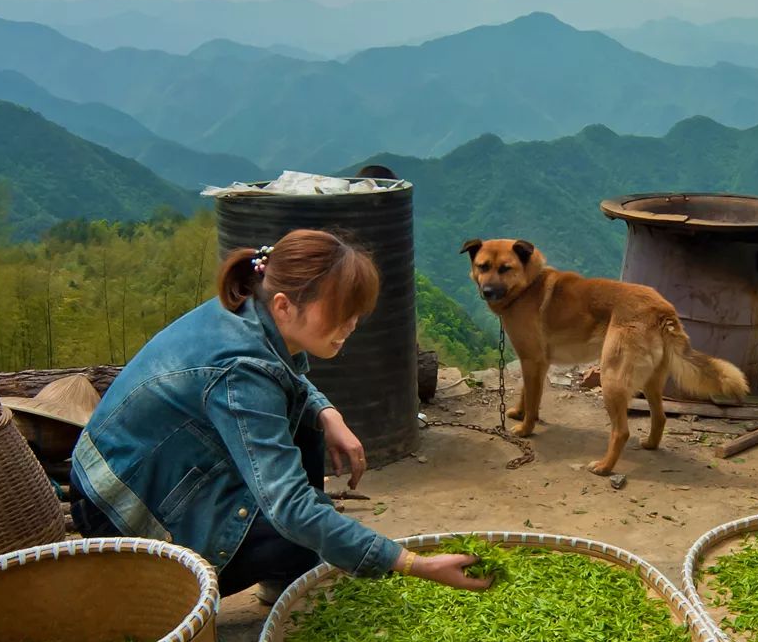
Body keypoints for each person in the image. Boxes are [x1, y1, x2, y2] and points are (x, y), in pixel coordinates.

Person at [70, 228, 489, 602]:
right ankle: (198, 581)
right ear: (286, 306)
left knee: (307, 431)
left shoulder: (252, 302)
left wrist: (327, 413)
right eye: (341, 313)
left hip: (147, 468)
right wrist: (410, 563)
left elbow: (286, 379)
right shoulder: (244, 373)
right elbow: (291, 507)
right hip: (120, 510)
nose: (351, 325)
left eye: (356, 312)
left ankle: (279, 566)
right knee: (304, 536)